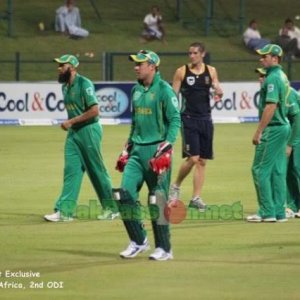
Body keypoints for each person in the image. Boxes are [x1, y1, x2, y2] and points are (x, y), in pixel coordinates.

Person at [114, 50, 180, 260]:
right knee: (123, 194)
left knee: (156, 199)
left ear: (152, 66)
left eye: (139, 64)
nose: (136, 67)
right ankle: (139, 241)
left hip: (156, 152)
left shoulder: (164, 90)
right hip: (136, 152)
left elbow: (175, 119)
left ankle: (164, 248)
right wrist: (128, 144)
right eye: (135, 63)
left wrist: (167, 145)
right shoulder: (135, 90)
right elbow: (135, 122)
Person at [44, 54, 118, 222]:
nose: (59, 68)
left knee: (96, 170)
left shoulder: (85, 84)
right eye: (59, 65)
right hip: (74, 134)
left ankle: (112, 208)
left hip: (89, 130)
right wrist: (72, 124)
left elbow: (94, 111)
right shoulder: (65, 87)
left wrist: (71, 121)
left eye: (62, 65)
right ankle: (64, 211)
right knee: (71, 171)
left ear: (72, 67)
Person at [169, 42, 223, 211]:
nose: (191, 56)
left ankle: (196, 198)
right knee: (193, 157)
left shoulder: (211, 71)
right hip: (188, 118)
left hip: (206, 119)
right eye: (190, 53)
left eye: (194, 53)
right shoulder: (181, 71)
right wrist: (171, 117)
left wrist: (218, 92)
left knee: (202, 161)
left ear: (202, 54)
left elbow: (218, 90)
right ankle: (175, 186)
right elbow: (173, 96)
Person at [247, 44, 290, 223]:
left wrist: (259, 131)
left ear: (275, 58)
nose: (261, 59)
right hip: (283, 127)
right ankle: (279, 212)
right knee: (277, 171)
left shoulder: (272, 78)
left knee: (259, 169)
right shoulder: (282, 75)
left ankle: (266, 211)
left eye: (265, 56)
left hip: (273, 128)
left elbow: (271, 106)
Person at [255, 68, 300, 219]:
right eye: (260, 76)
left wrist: (291, 143)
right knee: (281, 170)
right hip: (287, 132)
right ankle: (286, 208)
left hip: (291, 133)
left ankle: (270, 211)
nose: (261, 79)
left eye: (264, 75)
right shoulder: (273, 88)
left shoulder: (289, 92)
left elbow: (297, 118)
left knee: (294, 168)